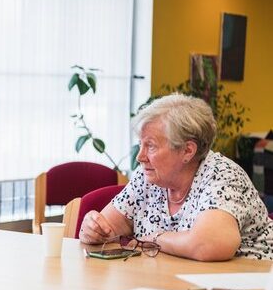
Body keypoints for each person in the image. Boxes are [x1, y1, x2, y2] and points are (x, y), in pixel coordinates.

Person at [79, 93, 273, 261]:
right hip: (177, 284)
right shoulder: (147, 177)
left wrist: (154, 239)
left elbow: (208, 246)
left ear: (187, 151)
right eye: (141, 144)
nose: (140, 157)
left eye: (151, 146)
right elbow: (107, 229)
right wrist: (92, 230)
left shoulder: (223, 177)